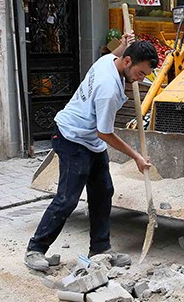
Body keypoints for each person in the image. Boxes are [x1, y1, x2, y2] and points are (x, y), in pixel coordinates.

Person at [24, 34, 158, 272]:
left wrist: (125, 44)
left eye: (145, 75)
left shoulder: (108, 60)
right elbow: (104, 133)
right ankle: (35, 249)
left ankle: (100, 249)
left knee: (103, 191)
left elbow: (116, 53)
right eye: (140, 73)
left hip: (90, 141)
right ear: (128, 62)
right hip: (72, 138)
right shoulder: (109, 89)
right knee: (67, 199)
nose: (141, 79)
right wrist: (136, 156)